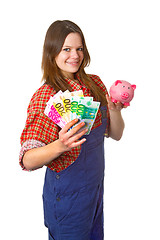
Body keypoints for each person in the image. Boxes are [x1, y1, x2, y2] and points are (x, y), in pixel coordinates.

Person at [19, 20, 125, 240]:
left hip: (94, 192)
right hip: (67, 200)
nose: (74, 55)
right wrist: (60, 145)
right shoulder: (46, 97)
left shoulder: (95, 84)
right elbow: (27, 160)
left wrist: (115, 111)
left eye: (79, 48)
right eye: (66, 49)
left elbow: (116, 134)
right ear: (52, 52)